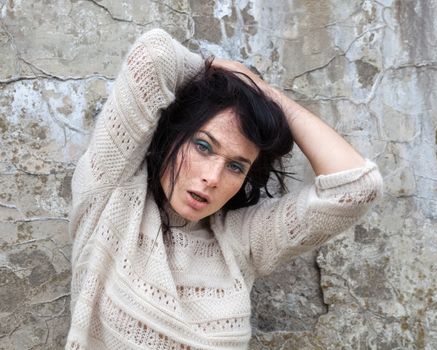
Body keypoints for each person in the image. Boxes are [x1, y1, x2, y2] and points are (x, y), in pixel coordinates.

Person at [66, 29, 383, 349]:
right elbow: (155, 56)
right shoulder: (110, 195)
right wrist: (233, 76)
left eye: (236, 166)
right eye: (203, 146)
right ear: (173, 135)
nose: (213, 177)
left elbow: (357, 186)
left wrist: (264, 93)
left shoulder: (240, 239)